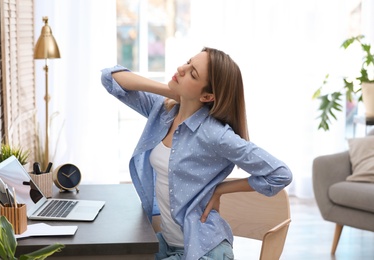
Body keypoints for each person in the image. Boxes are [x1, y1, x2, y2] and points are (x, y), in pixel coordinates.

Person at [101, 47, 292, 260]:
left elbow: (280, 174)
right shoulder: (162, 111)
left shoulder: (214, 134)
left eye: (193, 73)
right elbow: (111, 78)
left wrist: (220, 189)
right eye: (188, 62)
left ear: (208, 95)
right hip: (170, 243)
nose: (181, 69)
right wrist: (171, 92)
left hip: (204, 251)